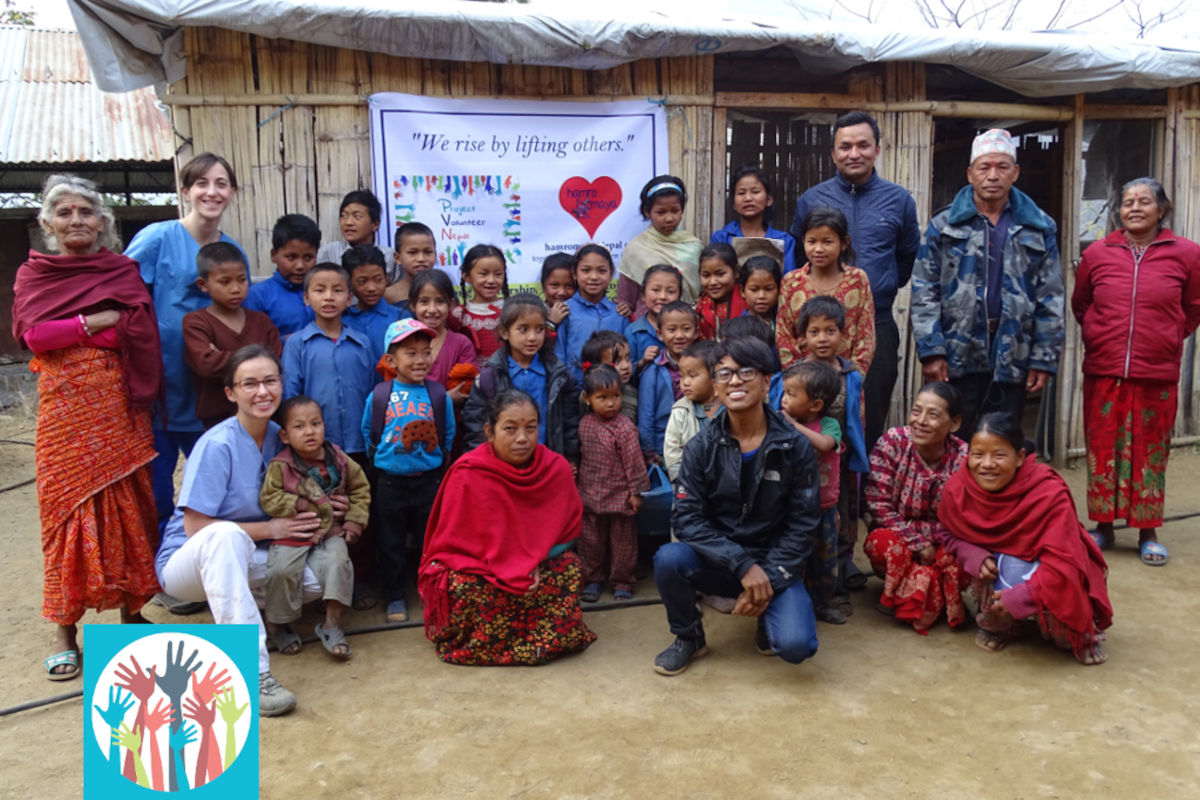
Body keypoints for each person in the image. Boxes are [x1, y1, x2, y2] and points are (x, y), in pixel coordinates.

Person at [13, 174, 163, 681]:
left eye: (85, 212)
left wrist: (77, 331)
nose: (76, 220)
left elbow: (137, 328)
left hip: (119, 407)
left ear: (103, 222)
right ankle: (64, 630)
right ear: (48, 223)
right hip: (64, 412)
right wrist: (93, 323)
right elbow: (35, 338)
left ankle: (132, 614)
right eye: (65, 212)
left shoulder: (120, 271)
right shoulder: (34, 276)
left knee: (129, 510)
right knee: (64, 513)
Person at [157, 345, 328, 716]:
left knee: (318, 580)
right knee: (225, 537)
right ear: (231, 393)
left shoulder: (284, 436)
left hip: (246, 555)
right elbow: (195, 526)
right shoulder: (218, 444)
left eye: (270, 381)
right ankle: (250, 672)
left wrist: (329, 505)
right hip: (188, 562)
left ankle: (233, 601)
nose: (262, 391)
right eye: (249, 384)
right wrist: (270, 527)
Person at [653, 337, 821, 675]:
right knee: (668, 559)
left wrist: (768, 579)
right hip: (720, 559)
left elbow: (803, 525)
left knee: (795, 646)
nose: (734, 381)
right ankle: (689, 637)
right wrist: (742, 565)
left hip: (774, 560)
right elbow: (686, 519)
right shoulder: (702, 446)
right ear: (714, 386)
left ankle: (766, 617)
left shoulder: (794, 446)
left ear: (766, 381)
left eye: (746, 371)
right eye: (724, 374)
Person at [418, 389, 598, 665]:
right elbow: (450, 546)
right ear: (490, 432)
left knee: (569, 569)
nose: (522, 438)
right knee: (463, 586)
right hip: (482, 564)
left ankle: (542, 643)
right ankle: (485, 646)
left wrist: (532, 560)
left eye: (531, 428)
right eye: (510, 429)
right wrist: (503, 568)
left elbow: (567, 532)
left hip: (536, 561)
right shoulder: (468, 472)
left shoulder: (556, 468)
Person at [1072, 177, 1200, 566]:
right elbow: (1082, 304)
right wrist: (1098, 333)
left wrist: (1167, 336)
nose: (1135, 208)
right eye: (1128, 202)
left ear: (1162, 210)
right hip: (1105, 368)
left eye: (1145, 201)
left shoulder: (1188, 254)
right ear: (1119, 210)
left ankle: (1147, 530)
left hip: (1155, 371)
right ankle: (1104, 526)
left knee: (1149, 452)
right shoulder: (1098, 253)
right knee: (1103, 447)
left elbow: (1193, 307)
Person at [911, 128, 1064, 440]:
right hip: (956, 352)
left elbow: (1051, 295)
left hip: (1013, 350)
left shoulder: (1038, 226)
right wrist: (931, 351)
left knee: (1000, 441)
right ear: (970, 174)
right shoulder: (944, 225)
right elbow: (924, 289)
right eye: (984, 167)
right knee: (952, 439)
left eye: (1002, 166)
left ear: (1015, 172)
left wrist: (1044, 357)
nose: (993, 175)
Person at [125, 152, 246, 520]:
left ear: (233, 192)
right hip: (160, 381)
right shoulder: (159, 237)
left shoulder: (233, 251)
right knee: (155, 484)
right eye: (202, 183)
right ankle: (154, 567)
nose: (212, 192)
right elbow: (122, 289)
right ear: (185, 191)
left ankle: (202, 563)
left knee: (214, 484)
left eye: (221, 184)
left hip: (208, 384)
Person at [790, 112, 920, 451]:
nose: (854, 153)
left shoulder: (899, 200)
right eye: (845, 146)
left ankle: (866, 498)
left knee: (870, 415)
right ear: (832, 153)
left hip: (875, 323)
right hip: (817, 331)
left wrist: (880, 289)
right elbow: (799, 261)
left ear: (877, 149)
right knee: (814, 415)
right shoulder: (811, 200)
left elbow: (906, 257)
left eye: (863, 145)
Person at [938, 413, 1112, 666]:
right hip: (1002, 567)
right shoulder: (958, 488)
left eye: (999, 455)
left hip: (1047, 569)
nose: (986, 464)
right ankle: (1002, 625)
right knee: (988, 568)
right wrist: (972, 555)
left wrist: (1024, 595)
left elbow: (1065, 558)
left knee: (1064, 633)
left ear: (1020, 457)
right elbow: (947, 533)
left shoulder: (1048, 490)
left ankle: (1076, 631)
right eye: (977, 454)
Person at [259, 396, 369, 660]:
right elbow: (269, 498)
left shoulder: (339, 458)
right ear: (284, 435)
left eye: (315, 423)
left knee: (339, 564)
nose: (309, 431)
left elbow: (360, 488)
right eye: (299, 427)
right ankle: (277, 624)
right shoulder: (281, 465)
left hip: (330, 532)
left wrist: (354, 520)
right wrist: (301, 503)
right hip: (293, 533)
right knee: (281, 571)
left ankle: (332, 625)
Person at [362, 319, 455, 623]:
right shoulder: (379, 395)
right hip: (390, 482)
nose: (420, 360)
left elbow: (448, 433)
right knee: (391, 542)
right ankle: (395, 596)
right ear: (391, 360)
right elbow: (369, 433)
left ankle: (431, 593)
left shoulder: (438, 394)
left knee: (432, 541)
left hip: (429, 481)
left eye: (425, 352)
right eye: (411, 353)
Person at [862, 382, 969, 633]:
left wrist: (934, 542)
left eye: (932, 415)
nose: (920, 421)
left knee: (962, 555)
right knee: (883, 544)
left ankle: (930, 592)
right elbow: (877, 504)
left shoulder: (964, 458)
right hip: (898, 535)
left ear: (954, 424)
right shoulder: (893, 442)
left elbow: (965, 517)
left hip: (943, 540)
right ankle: (906, 592)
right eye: (916, 411)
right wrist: (917, 542)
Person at [798, 295, 869, 609]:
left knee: (836, 527)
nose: (822, 338)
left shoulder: (850, 376)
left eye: (830, 331)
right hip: (800, 467)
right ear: (803, 337)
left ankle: (834, 594)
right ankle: (800, 594)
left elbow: (856, 419)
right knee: (801, 527)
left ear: (844, 335)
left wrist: (855, 455)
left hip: (838, 465)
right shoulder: (793, 376)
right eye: (814, 332)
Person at [463, 295, 580, 461]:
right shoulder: (489, 377)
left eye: (539, 329)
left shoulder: (559, 375)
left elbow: (570, 423)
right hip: (503, 463)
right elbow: (475, 427)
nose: (532, 337)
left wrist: (571, 458)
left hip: (548, 461)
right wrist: (484, 463)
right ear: (504, 332)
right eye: (523, 329)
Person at [182, 242, 282, 429]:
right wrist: (259, 358)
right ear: (203, 285)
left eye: (242, 280)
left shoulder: (261, 321)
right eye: (225, 282)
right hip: (218, 420)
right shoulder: (196, 322)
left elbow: (276, 361)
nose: (236, 289)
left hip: (264, 416)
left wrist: (222, 355)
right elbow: (206, 365)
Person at [282, 263, 374, 460]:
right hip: (315, 444)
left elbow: (371, 391)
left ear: (349, 298)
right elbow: (291, 395)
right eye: (320, 290)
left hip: (359, 442)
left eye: (338, 290)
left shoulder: (362, 343)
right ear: (306, 298)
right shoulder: (297, 344)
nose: (329, 296)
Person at [577, 364, 651, 603]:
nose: (611, 403)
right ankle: (592, 579)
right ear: (587, 399)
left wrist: (636, 492)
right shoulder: (584, 425)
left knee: (623, 543)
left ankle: (622, 581)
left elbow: (635, 463)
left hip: (620, 496)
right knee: (590, 542)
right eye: (602, 398)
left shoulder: (625, 428)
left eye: (616, 397)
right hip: (589, 495)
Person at [779, 360, 845, 624]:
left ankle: (823, 603)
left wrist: (792, 426)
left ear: (816, 405)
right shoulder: (781, 424)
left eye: (792, 394)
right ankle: (796, 603)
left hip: (825, 508)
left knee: (826, 559)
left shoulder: (829, 425)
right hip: (793, 509)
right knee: (796, 556)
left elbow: (825, 444)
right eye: (784, 392)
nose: (783, 399)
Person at [777, 206, 875, 376]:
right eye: (812, 241)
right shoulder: (791, 282)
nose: (818, 249)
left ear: (844, 243)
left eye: (827, 242)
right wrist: (800, 378)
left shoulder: (857, 280)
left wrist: (851, 378)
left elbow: (865, 338)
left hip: (846, 379)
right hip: (802, 383)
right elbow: (783, 336)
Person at [617, 175, 703, 315]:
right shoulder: (636, 249)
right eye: (661, 212)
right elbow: (626, 299)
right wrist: (625, 307)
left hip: (686, 325)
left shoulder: (694, 247)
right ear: (647, 212)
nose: (669, 218)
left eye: (675, 211)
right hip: (647, 327)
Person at [554, 243, 628, 382]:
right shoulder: (565, 311)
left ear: (611, 273)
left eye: (601, 271)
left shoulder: (620, 313)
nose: (594, 277)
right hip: (574, 391)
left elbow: (628, 356)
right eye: (586, 270)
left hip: (613, 391)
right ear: (575, 273)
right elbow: (559, 356)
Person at [638, 301, 699, 460]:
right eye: (672, 330)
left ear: (696, 332)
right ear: (660, 334)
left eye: (686, 329)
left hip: (698, 442)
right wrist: (649, 450)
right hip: (664, 445)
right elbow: (646, 414)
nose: (679, 335)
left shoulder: (704, 368)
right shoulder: (653, 371)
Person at [710, 165, 798, 273]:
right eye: (741, 193)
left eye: (755, 192)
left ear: (768, 200)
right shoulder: (721, 238)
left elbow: (789, 282)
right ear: (733, 203)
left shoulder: (785, 241)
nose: (748, 198)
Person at [244, 213, 320, 338]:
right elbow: (251, 341)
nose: (300, 265)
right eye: (291, 257)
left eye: (308, 258)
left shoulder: (324, 292)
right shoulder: (257, 296)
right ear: (274, 255)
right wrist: (287, 341)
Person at [408, 268, 478, 396]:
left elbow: (464, 390)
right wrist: (445, 399)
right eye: (424, 302)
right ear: (413, 305)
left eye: (440, 302)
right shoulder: (402, 341)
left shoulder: (461, 344)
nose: (432, 309)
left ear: (451, 305)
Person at [663, 339, 721, 481]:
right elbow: (672, 452)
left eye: (692, 376)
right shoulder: (680, 411)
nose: (685, 382)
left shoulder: (730, 408)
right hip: (690, 483)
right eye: (682, 376)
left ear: (714, 376)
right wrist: (684, 483)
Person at [341, 244, 407, 367]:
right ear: (349, 283)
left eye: (378, 280)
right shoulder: (341, 320)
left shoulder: (401, 318)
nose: (371, 288)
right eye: (362, 281)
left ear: (386, 279)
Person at [316, 189, 394, 286]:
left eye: (357, 216)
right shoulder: (328, 253)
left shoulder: (390, 256)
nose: (348, 222)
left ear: (375, 224)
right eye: (343, 216)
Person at [452, 243, 510, 365]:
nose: (491, 280)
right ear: (467, 276)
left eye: (498, 274)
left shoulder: (513, 309)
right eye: (483, 274)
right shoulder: (458, 315)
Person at [626, 263, 682, 375]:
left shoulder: (685, 328)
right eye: (656, 290)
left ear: (680, 296)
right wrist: (643, 362)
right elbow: (626, 371)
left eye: (670, 291)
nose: (662, 296)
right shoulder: (633, 331)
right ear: (642, 294)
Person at [579, 330, 639, 423]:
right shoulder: (587, 397)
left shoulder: (631, 392)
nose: (626, 366)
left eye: (628, 358)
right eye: (616, 362)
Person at [695, 243, 748, 340]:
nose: (712, 282)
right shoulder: (699, 308)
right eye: (706, 275)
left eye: (720, 274)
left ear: (736, 272)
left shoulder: (749, 302)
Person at [388, 221, 437, 310]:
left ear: (435, 254)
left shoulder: (445, 291)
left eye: (428, 252)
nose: (421, 259)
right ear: (397, 258)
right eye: (412, 252)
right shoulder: (389, 295)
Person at [738, 255, 782, 333]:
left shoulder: (784, 325)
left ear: (779, 289)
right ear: (742, 291)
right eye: (754, 290)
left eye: (769, 289)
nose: (761, 296)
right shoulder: (738, 328)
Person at [540, 252, 576, 343]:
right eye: (554, 285)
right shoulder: (535, 313)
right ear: (543, 286)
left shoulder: (581, 312)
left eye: (569, 286)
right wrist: (551, 323)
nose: (562, 292)